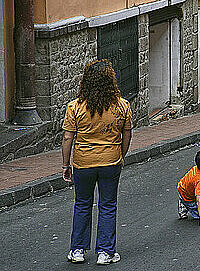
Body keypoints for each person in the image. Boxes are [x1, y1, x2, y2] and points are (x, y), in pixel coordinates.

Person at [62, 60, 133, 265]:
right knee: (108, 205)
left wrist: (66, 165)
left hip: (83, 162)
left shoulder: (74, 107)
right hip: (111, 160)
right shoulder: (122, 105)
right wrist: (120, 155)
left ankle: (77, 250)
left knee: (82, 204)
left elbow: (68, 138)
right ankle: (105, 252)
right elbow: (126, 134)